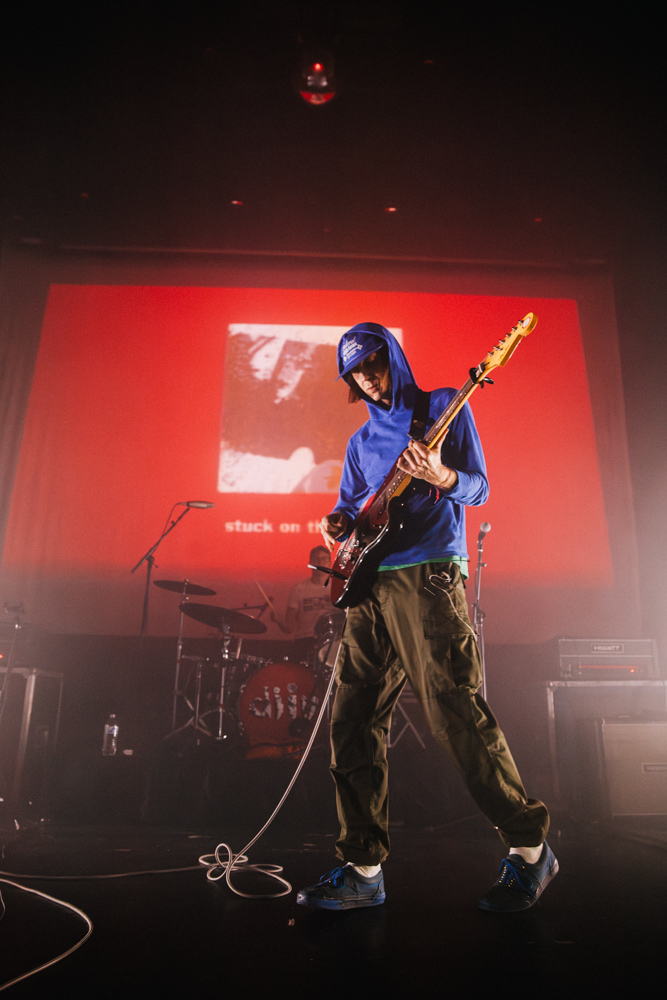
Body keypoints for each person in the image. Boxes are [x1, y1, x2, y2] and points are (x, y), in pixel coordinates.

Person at [296, 322, 557, 913]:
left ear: (394, 357)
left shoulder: (443, 407)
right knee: (353, 719)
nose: (367, 378)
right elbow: (347, 509)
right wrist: (335, 524)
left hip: (430, 575)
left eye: (374, 364)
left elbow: (480, 487)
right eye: (355, 373)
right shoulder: (361, 442)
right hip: (369, 585)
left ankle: (531, 849)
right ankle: (362, 869)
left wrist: (442, 477)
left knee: (453, 711)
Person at [273, 545, 334, 659]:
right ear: (310, 563)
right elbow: (289, 627)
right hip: (304, 641)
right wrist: (279, 620)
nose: (321, 562)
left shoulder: (338, 588)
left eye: (324, 559)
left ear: (329, 563)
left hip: (332, 642)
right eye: (317, 559)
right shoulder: (299, 589)